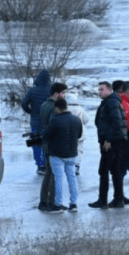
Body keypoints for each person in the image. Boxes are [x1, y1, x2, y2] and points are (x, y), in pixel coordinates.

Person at [90, 81, 128, 209]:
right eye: (99, 89)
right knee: (115, 170)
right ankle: (118, 199)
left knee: (103, 170)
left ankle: (103, 201)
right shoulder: (109, 101)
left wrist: (108, 140)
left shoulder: (111, 102)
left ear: (109, 89)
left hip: (110, 142)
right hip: (113, 140)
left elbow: (116, 122)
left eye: (101, 89)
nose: (99, 92)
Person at [42, 98, 83, 213]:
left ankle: (58, 204)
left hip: (57, 155)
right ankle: (73, 204)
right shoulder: (76, 119)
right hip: (72, 153)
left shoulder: (55, 120)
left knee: (58, 179)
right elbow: (79, 135)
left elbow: (46, 136)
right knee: (72, 178)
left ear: (57, 108)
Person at [38, 82, 68, 211]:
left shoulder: (44, 104)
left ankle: (43, 201)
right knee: (55, 173)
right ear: (56, 94)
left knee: (48, 172)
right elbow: (54, 126)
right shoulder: (54, 107)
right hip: (53, 143)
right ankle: (53, 203)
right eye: (63, 93)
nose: (65, 95)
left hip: (46, 142)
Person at [21, 69, 52, 174]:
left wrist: (31, 112)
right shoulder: (51, 91)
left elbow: (24, 104)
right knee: (48, 143)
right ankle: (47, 165)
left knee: (36, 143)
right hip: (48, 122)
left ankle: (40, 166)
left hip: (35, 121)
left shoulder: (32, 91)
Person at [65, 92, 89, 176]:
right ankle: (77, 165)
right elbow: (86, 120)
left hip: (68, 133)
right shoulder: (81, 109)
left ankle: (69, 166)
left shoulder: (65, 109)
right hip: (80, 132)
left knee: (68, 149)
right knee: (79, 150)